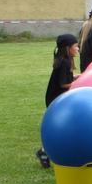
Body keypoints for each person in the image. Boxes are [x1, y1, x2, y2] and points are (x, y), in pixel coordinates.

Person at [36, 33, 79, 168]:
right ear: (68, 48)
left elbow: (67, 79)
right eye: (76, 46)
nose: (78, 49)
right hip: (56, 99)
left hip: (58, 97)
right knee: (60, 128)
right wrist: (78, 84)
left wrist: (78, 77)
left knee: (65, 127)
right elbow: (63, 84)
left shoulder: (65, 60)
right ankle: (43, 151)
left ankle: (45, 151)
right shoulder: (64, 62)